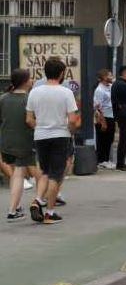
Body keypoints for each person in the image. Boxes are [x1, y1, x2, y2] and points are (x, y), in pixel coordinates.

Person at [25, 58, 80, 224]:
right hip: (60, 135)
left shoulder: (35, 92)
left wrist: (39, 127)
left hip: (40, 135)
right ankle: (49, 212)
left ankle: (37, 200)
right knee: (56, 174)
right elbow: (72, 120)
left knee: (44, 171)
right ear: (62, 73)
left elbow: (28, 119)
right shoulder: (66, 93)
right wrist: (71, 131)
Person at [1, 69, 39, 221]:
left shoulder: (3, 98)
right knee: (20, 173)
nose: (32, 81)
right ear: (25, 81)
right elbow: (32, 121)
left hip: (6, 141)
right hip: (24, 141)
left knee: (16, 173)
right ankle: (12, 210)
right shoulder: (29, 100)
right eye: (30, 78)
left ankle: (16, 207)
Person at [93, 69, 116, 169]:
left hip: (111, 116)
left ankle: (106, 159)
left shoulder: (110, 87)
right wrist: (103, 122)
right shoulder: (99, 90)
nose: (111, 77)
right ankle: (102, 160)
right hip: (104, 116)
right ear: (103, 78)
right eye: (109, 76)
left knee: (109, 139)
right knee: (102, 139)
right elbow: (98, 107)